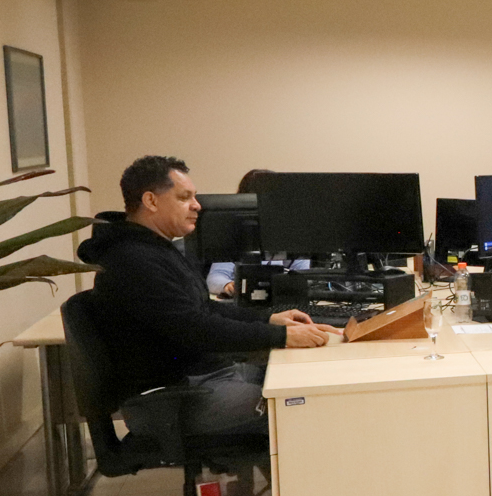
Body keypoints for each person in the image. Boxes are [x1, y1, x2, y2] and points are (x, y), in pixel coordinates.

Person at [82, 156, 339, 439]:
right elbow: (197, 330)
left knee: (293, 377)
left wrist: (271, 318)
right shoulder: (134, 260)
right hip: (173, 400)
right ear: (151, 201)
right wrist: (281, 337)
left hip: (201, 379)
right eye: (184, 197)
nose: (197, 206)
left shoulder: (155, 249)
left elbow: (204, 310)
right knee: (304, 404)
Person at [205, 169, 310, 296]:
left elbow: (304, 277)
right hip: (244, 303)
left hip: (282, 301)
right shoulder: (233, 237)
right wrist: (228, 285)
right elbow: (215, 277)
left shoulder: (292, 236)